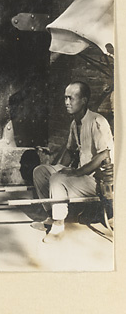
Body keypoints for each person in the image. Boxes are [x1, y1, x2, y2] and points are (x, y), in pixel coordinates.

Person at [32, 81, 114, 244]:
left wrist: (73, 173)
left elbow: (104, 154)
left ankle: (58, 225)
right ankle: (51, 214)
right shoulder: (74, 123)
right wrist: (57, 169)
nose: (66, 102)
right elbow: (70, 151)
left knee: (57, 179)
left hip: (96, 181)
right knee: (40, 171)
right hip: (80, 177)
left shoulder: (97, 121)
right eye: (65, 98)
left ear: (83, 100)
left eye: (71, 98)